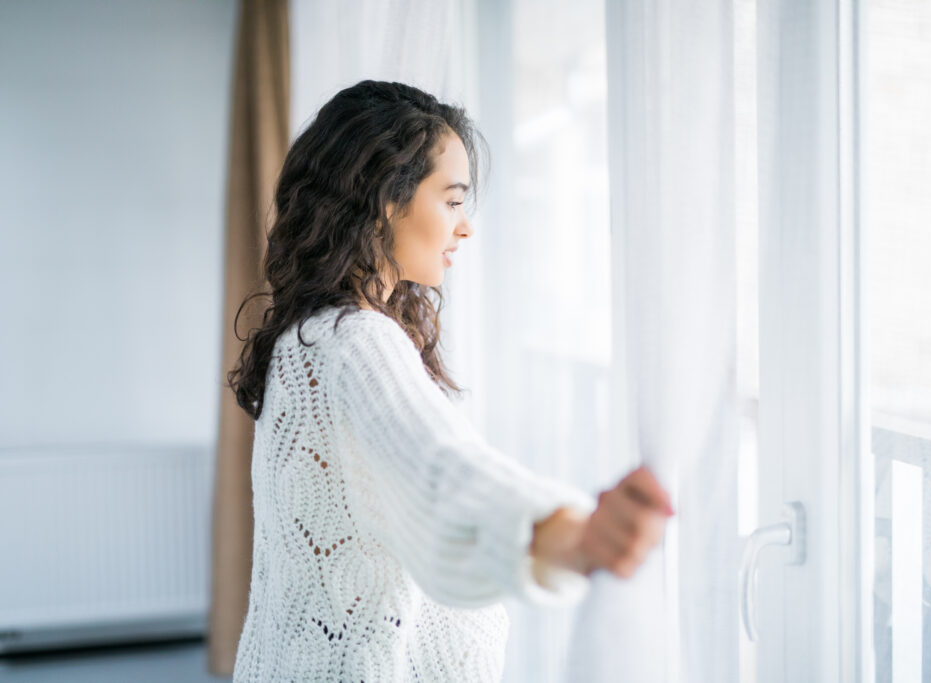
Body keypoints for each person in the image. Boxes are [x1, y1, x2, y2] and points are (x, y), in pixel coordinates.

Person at [227, 79, 674, 682]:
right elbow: (439, 467)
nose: (465, 228)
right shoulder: (356, 341)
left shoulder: (306, 337)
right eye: (452, 201)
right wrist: (571, 535)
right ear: (386, 200)